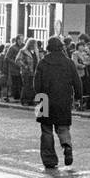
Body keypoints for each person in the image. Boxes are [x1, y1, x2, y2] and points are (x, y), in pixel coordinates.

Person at [34, 37, 82, 169]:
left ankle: (49, 160)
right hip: (64, 99)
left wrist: (38, 99)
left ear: (49, 48)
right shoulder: (69, 63)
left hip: (43, 99)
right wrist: (78, 97)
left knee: (46, 130)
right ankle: (67, 147)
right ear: (61, 47)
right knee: (63, 127)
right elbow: (77, 82)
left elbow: (36, 83)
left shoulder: (43, 63)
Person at [18, 38, 40, 109]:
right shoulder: (23, 51)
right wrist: (25, 66)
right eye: (33, 44)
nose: (34, 45)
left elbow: (38, 60)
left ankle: (31, 100)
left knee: (32, 86)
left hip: (34, 71)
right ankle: (24, 100)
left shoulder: (36, 52)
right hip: (26, 72)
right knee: (26, 85)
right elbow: (18, 60)